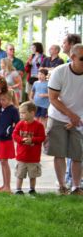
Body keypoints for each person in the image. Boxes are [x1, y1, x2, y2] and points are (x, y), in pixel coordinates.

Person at [46, 44, 83, 195]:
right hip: (58, 116)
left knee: (78, 154)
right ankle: (62, 186)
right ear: (72, 57)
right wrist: (70, 115)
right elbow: (53, 98)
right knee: (59, 153)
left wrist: (77, 118)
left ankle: (76, 186)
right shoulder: (59, 72)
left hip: (80, 119)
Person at [12, 101, 45, 195]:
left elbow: (42, 137)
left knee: (32, 175)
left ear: (32, 113)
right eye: (20, 113)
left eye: (23, 113)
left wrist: (32, 140)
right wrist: (22, 140)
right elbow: (14, 134)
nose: (21, 115)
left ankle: (32, 189)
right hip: (21, 156)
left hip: (33, 157)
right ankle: (18, 189)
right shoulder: (20, 124)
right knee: (19, 174)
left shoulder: (39, 125)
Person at [0, 90, 19, 192]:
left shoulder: (13, 110)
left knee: (4, 161)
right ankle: (4, 185)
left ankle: (8, 186)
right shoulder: (0, 109)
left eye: (4, 99)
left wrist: (9, 131)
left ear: (10, 99)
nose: (1, 101)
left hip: (6, 139)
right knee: (2, 161)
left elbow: (18, 124)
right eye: (0, 99)